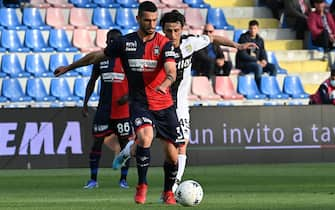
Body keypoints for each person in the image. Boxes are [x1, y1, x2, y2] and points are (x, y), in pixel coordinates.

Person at [114, 10, 257, 194]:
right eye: (168, 31)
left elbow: (212, 39)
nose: (172, 35)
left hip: (179, 104)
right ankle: (127, 151)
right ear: (162, 30)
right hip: (156, 102)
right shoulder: (156, 47)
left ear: (182, 29)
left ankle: (173, 187)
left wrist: (237, 45)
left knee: (182, 143)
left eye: (176, 30)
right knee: (142, 143)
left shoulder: (190, 44)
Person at [54, 1, 181, 205]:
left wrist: (165, 83)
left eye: (154, 20)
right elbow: (96, 56)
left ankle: (168, 192)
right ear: (138, 19)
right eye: (147, 20)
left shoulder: (164, 43)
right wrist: (69, 67)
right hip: (140, 103)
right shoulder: (125, 42)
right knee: (145, 137)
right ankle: (142, 185)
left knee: (173, 157)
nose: (151, 24)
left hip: (164, 104)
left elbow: (171, 71)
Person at [56, 29, 133, 189]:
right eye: (111, 40)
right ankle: (93, 180)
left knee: (125, 146)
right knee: (96, 144)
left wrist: (128, 97)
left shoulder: (128, 60)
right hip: (104, 110)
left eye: (116, 40)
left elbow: (137, 84)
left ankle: (123, 180)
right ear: (106, 42)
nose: (113, 43)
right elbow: (92, 82)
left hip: (122, 111)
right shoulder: (100, 60)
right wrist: (85, 103)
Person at [236, 19, 277, 89]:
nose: (253, 30)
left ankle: (271, 86)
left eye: (255, 28)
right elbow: (242, 55)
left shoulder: (260, 40)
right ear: (248, 29)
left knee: (273, 67)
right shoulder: (243, 38)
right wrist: (256, 61)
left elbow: (263, 51)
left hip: (257, 63)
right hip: (245, 64)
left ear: (257, 29)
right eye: (251, 28)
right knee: (258, 67)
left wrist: (264, 60)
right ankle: (258, 87)